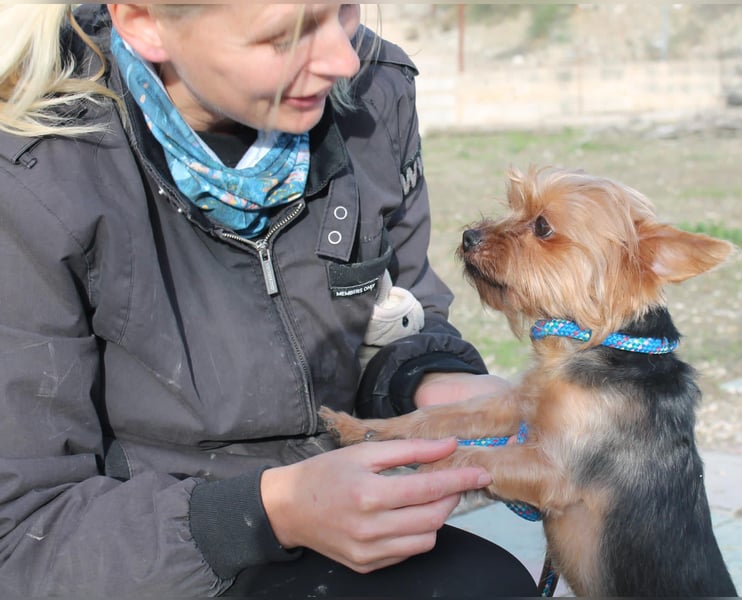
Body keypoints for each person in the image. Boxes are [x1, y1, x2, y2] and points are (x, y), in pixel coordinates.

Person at [0, 4, 537, 596]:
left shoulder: (374, 92)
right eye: (284, 37)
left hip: (331, 508)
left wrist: (427, 379)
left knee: (489, 583)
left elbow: (402, 307)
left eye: (344, 9)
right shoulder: (33, 167)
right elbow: (23, 536)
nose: (343, 57)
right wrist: (267, 513)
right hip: (154, 553)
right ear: (144, 22)